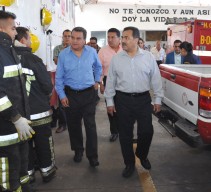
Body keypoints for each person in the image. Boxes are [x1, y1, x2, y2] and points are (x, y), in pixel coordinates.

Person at [0, 10, 35, 192]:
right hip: (3, 132)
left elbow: (17, 88)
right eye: (13, 28)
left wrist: (22, 118)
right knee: (7, 182)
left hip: (18, 129)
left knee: (21, 171)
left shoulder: (8, 49)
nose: (16, 32)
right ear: (1, 28)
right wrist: (16, 118)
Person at [104, 26, 163, 178]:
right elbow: (110, 81)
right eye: (122, 37)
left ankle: (142, 155)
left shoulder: (148, 57)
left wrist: (158, 99)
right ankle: (129, 163)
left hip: (143, 99)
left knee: (147, 131)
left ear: (136, 40)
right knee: (125, 134)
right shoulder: (117, 59)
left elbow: (156, 79)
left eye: (126, 38)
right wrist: (110, 101)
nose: (123, 40)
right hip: (122, 100)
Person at [14, 27, 56, 183]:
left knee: (24, 145)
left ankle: (28, 174)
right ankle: (47, 171)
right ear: (24, 40)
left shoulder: (7, 58)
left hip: (19, 115)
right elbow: (47, 85)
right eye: (30, 38)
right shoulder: (34, 59)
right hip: (39, 112)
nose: (31, 42)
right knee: (44, 142)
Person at [55, 27, 102, 167]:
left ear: (84, 40)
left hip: (88, 94)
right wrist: (62, 95)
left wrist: (97, 81)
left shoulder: (92, 52)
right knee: (74, 126)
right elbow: (59, 78)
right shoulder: (63, 55)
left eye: (78, 38)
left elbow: (98, 67)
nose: (74, 41)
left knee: (90, 126)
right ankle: (78, 150)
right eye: (72, 37)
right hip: (71, 95)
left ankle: (92, 156)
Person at [98, 28, 123, 142]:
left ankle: (124, 130)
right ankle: (114, 132)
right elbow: (99, 69)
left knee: (124, 107)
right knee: (110, 107)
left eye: (113, 37)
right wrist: (100, 83)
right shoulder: (103, 51)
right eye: (108, 37)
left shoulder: (125, 49)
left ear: (119, 38)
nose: (110, 39)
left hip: (124, 81)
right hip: (108, 81)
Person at [52, 29, 71, 133]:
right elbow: (57, 62)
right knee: (62, 103)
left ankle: (73, 121)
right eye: (65, 36)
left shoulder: (76, 48)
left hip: (73, 80)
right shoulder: (57, 49)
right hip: (61, 79)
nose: (67, 38)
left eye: (69, 36)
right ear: (62, 37)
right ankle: (63, 124)